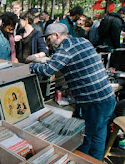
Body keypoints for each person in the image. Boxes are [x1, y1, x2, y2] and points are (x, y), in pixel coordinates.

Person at [30, 23, 116, 160]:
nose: (48, 44)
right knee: (97, 136)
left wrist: (30, 66)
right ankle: (95, 161)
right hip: (107, 98)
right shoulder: (83, 41)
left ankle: (81, 161)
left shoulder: (65, 49)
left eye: (49, 39)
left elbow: (47, 70)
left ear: (56, 35)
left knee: (83, 138)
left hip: (93, 102)